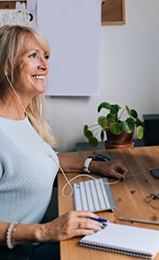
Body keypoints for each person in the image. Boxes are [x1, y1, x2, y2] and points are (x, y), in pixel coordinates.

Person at [0, 25, 128, 258]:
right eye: (32, 56)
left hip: (36, 240)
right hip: (19, 252)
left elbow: (40, 160)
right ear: (5, 66)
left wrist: (94, 165)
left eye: (45, 57)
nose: (45, 65)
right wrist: (45, 231)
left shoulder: (23, 117)